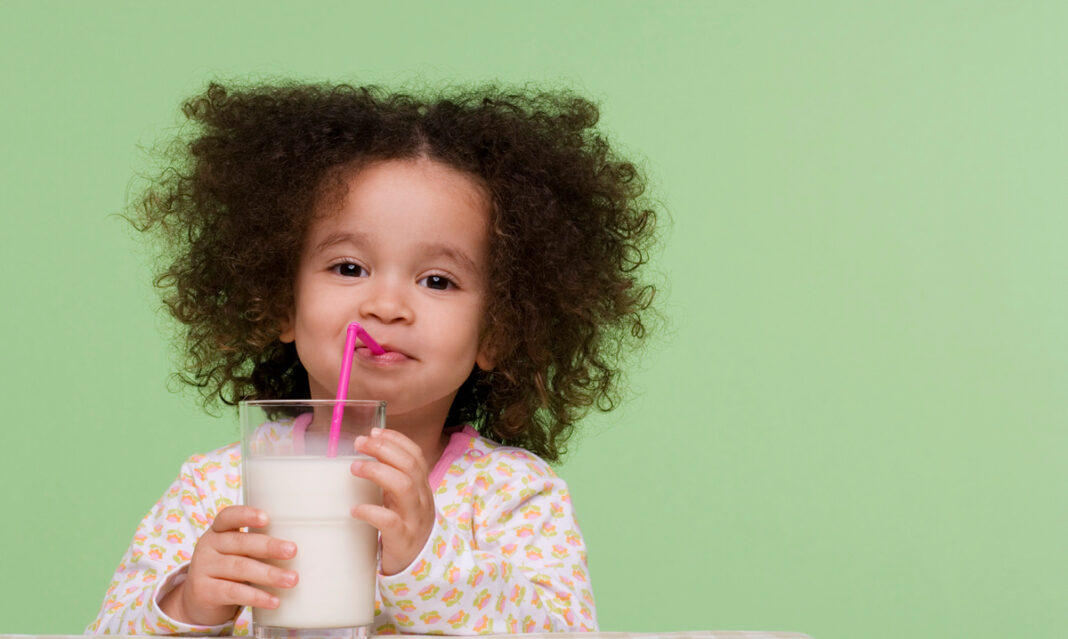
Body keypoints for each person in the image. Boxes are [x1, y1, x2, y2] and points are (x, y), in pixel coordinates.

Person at [87, 81, 659, 636]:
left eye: (437, 280)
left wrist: (428, 559)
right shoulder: (217, 487)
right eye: (348, 268)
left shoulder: (512, 496)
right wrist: (190, 603)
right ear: (279, 304)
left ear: (498, 331)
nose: (385, 305)